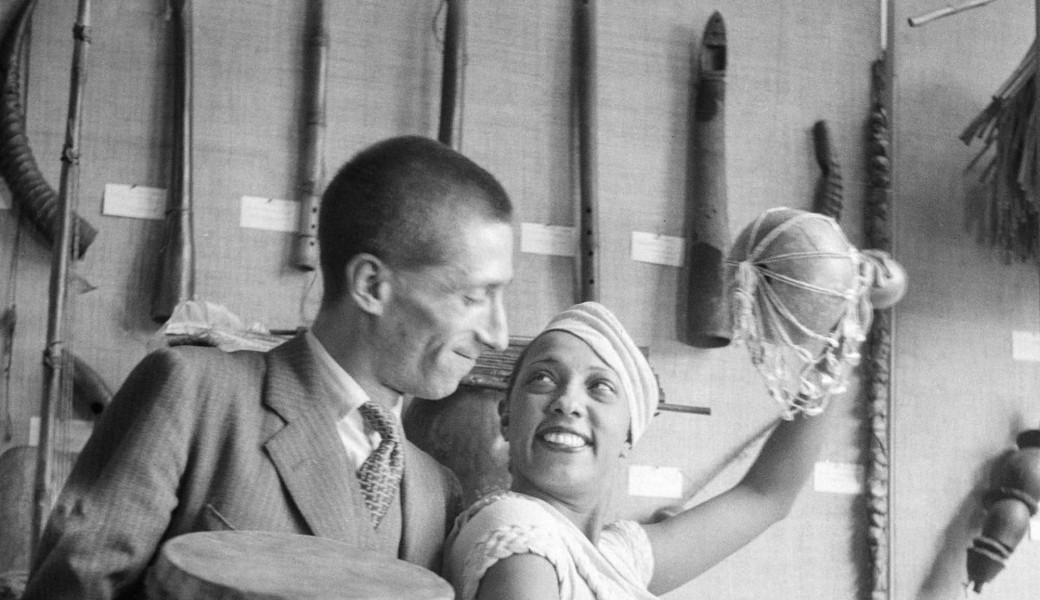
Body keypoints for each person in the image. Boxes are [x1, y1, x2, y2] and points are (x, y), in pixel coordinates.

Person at [22, 135, 515, 600]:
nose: (497, 334)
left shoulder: (435, 490)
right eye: (473, 297)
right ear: (370, 285)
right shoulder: (194, 396)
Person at [443, 302, 837, 600]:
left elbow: (765, 496)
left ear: (629, 436)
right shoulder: (521, 534)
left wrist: (841, 345)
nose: (568, 402)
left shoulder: (616, 554)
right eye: (543, 379)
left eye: (599, 387)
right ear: (507, 417)